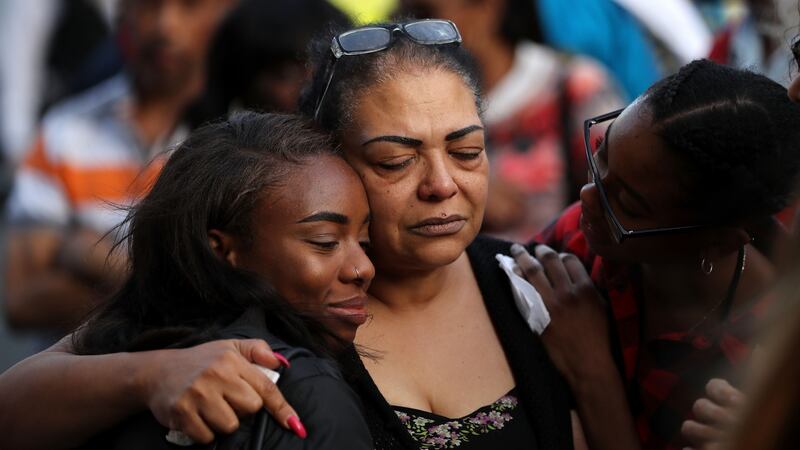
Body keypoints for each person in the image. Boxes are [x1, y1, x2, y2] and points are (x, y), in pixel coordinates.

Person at [0, 19, 638, 450]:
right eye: (396, 160)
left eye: (467, 151)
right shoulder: (272, 296)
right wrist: (154, 374)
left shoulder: (543, 291)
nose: (442, 183)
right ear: (331, 161)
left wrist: (594, 375)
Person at [512, 59, 800, 450]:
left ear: (718, 241)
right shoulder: (582, 240)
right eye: (601, 155)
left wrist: (593, 372)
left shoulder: (763, 362)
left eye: (628, 203)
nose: (587, 197)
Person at [78, 111, 374, 449]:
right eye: (325, 242)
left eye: (365, 240)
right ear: (221, 249)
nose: (363, 268)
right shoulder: (305, 392)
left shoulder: (103, 358)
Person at [2, 0, 233, 334]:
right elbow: (22, 300)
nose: (165, 25)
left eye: (190, 5)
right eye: (148, 6)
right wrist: (175, 290)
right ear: (122, 14)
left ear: (227, 11)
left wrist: (93, 256)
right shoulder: (63, 134)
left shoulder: (243, 135)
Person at [403, 0, 623, 241]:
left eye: (425, 15)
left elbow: (620, 199)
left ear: (487, 8)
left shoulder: (573, 88)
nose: (410, 31)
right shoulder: (410, 99)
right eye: (404, 15)